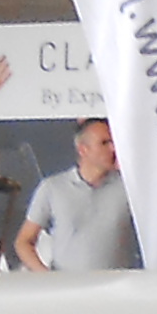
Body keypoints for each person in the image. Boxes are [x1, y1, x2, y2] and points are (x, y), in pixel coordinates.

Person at [12, 117, 138, 272]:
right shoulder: (53, 187)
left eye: (114, 142)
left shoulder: (129, 188)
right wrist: (45, 276)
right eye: (104, 143)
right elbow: (24, 241)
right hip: (66, 284)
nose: (113, 148)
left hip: (118, 283)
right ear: (83, 150)